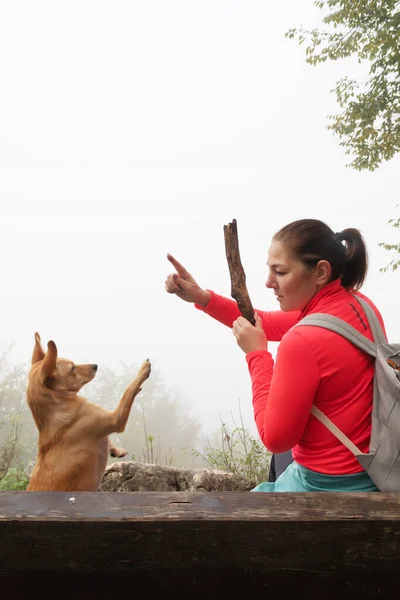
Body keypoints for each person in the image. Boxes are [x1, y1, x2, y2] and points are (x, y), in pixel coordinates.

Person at [165, 218, 387, 492]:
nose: (269, 282)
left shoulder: (303, 340)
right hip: (373, 468)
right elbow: (265, 323)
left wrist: (257, 355)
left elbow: (274, 438)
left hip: (327, 486)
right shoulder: (360, 306)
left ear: (320, 272)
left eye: (280, 272)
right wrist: (203, 298)